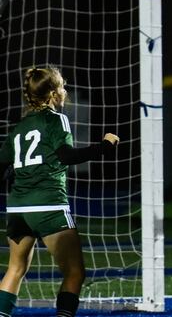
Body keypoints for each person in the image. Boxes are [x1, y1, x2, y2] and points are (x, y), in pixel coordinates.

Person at [0, 66, 119, 317]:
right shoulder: (56, 119)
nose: (65, 91)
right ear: (54, 93)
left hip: (18, 208)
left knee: (15, 269)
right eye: (62, 87)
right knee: (75, 272)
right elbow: (66, 156)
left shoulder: (19, 127)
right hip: (49, 206)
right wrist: (104, 147)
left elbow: (3, 164)